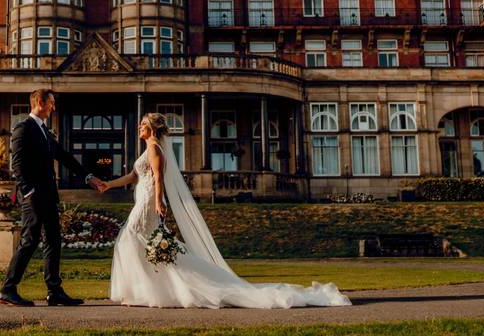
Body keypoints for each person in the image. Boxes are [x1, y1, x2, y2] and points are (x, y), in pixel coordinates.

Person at [105, 112, 351, 309]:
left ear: (152, 128)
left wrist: (158, 201)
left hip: (148, 201)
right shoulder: (148, 148)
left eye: (142, 125)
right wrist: (108, 184)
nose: (139, 128)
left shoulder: (155, 148)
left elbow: (158, 177)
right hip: (143, 198)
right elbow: (133, 176)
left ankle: (143, 290)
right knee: (145, 244)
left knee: (131, 239)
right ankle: (146, 290)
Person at [0, 88, 106, 307]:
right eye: (51, 103)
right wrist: (28, 192)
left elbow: (65, 157)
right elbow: (17, 165)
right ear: (40, 102)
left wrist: (88, 176)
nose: (53, 107)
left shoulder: (45, 132)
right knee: (29, 241)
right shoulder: (23, 129)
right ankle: (7, 289)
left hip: (49, 196)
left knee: (53, 242)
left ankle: (54, 291)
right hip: (34, 198)